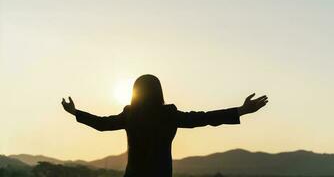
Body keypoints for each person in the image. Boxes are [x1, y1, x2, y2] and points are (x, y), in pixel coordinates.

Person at [62, 74, 268, 177]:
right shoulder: (169, 114)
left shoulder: (131, 114)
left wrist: (75, 113)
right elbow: (205, 118)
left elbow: (101, 124)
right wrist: (241, 110)